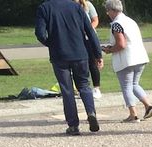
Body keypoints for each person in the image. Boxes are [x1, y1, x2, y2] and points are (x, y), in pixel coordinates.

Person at [35, 0, 103, 135]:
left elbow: (40, 33)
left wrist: (52, 44)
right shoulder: (77, 7)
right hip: (80, 53)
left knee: (67, 90)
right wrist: (97, 54)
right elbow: (90, 31)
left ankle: (73, 125)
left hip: (59, 55)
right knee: (84, 85)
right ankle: (91, 112)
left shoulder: (45, 8)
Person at [101, 0, 152, 122]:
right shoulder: (131, 21)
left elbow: (121, 44)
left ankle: (133, 114)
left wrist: (109, 49)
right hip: (140, 57)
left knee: (126, 87)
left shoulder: (116, 24)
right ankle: (148, 106)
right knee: (134, 84)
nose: (107, 13)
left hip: (127, 59)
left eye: (108, 10)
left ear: (112, 10)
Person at [75, 0, 104, 98]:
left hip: (89, 37)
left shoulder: (87, 4)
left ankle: (96, 88)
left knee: (93, 63)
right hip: (77, 38)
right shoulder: (70, 5)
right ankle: (83, 89)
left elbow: (95, 20)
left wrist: (88, 29)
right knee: (79, 64)